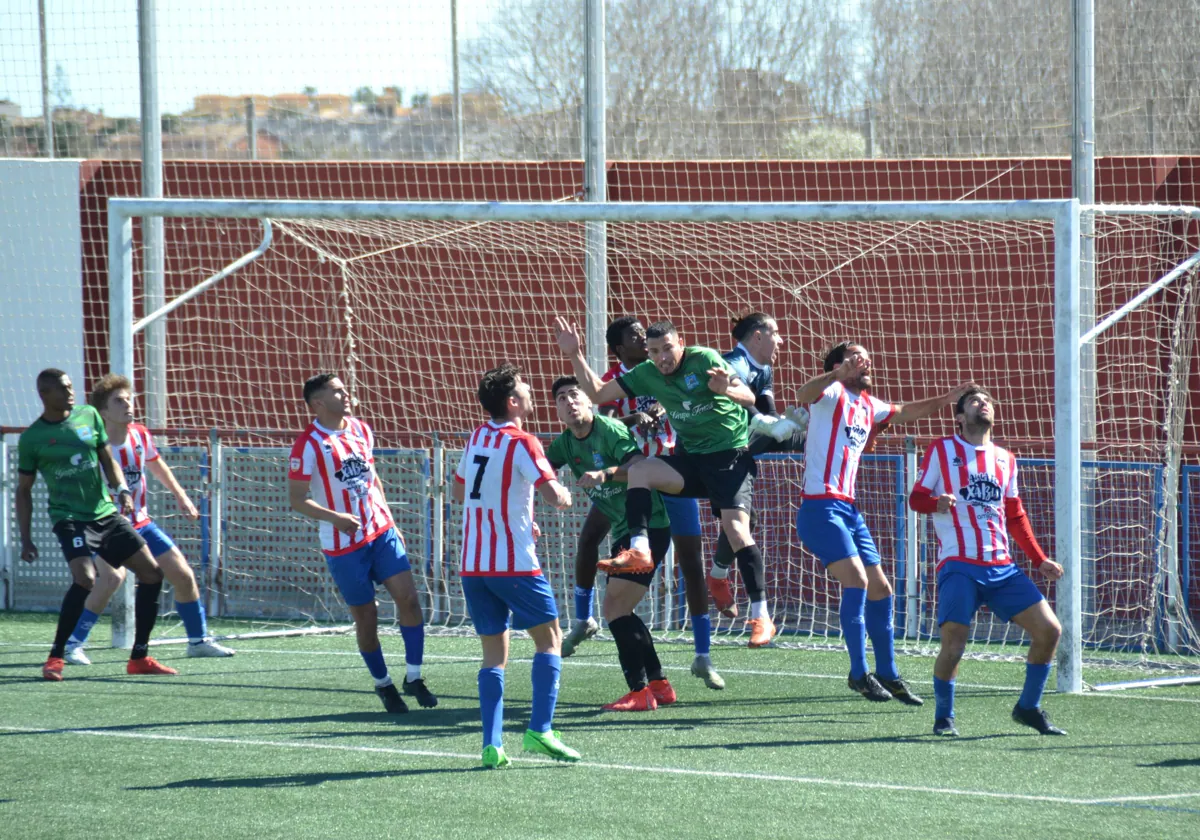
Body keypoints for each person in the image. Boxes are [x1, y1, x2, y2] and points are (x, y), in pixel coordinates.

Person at [554, 317, 778, 648]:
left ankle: (761, 617)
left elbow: (748, 396)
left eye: (667, 349)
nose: (662, 358)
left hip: (729, 458)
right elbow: (599, 393)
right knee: (641, 470)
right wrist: (574, 354)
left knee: (736, 530)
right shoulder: (647, 373)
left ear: (681, 344)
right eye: (654, 351)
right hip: (691, 460)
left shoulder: (704, 359)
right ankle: (640, 550)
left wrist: (726, 389)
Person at [795, 341, 973, 704]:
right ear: (839, 366)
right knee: (857, 580)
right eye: (855, 360)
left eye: (866, 360)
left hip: (849, 510)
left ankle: (888, 673)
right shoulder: (830, 393)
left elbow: (907, 411)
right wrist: (836, 374)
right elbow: (803, 392)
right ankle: (858, 673)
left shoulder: (868, 405)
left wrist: (947, 398)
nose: (865, 364)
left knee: (882, 590)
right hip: (820, 508)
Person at [561, 315, 722, 689]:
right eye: (635, 337)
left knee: (691, 561)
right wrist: (640, 415)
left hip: (668, 472)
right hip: (626, 478)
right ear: (621, 348)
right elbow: (604, 417)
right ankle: (585, 619)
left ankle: (703, 654)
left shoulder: (669, 368)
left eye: (647, 337)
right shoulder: (619, 378)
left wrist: (669, 408)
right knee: (588, 539)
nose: (642, 339)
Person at [909, 388, 1066, 736]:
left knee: (1050, 630)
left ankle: (1028, 707)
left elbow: (1015, 515)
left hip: (1002, 567)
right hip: (958, 564)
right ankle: (944, 718)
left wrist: (1038, 559)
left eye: (988, 401)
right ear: (960, 417)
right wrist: (936, 502)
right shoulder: (942, 449)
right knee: (954, 644)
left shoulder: (1006, 459)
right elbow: (916, 498)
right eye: (974, 401)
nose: (984, 404)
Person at [453, 364, 581, 767]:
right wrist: (565, 496)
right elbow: (550, 494)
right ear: (512, 401)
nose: (529, 390)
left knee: (494, 654)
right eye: (523, 386)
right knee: (550, 640)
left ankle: (492, 744)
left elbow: (460, 491)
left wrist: (519, 516)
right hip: (513, 563)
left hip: (473, 564)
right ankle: (540, 730)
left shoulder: (476, 436)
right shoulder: (524, 442)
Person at [288, 373, 436, 714]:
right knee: (367, 617)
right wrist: (336, 518)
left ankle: (414, 677)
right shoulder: (308, 444)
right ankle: (384, 685)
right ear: (318, 403)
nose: (347, 394)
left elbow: (372, 478)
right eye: (337, 391)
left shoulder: (360, 429)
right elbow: (297, 499)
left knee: (410, 602)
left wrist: (392, 522)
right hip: (344, 546)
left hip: (380, 532)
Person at [16, 369, 177, 681]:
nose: (70, 392)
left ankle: (139, 656)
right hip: (70, 519)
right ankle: (56, 656)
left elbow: (107, 458)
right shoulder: (32, 438)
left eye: (71, 386)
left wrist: (122, 490)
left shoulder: (89, 415)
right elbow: (23, 491)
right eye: (63, 389)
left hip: (105, 513)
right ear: (45, 395)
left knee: (152, 573)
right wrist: (26, 538)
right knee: (86, 578)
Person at [62, 375, 234, 663]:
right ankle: (72, 644)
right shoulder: (90, 446)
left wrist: (182, 495)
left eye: (129, 398)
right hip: (105, 525)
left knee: (183, 574)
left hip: (141, 522)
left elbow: (157, 464)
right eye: (119, 400)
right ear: (103, 412)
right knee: (112, 578)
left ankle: (198, 640)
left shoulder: (140, 434)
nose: (128, 404)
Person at [547, 376, 677, 711]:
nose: (569, 401)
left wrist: (604, 473)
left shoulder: (610, 431)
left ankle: (639, 692)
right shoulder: (564, 443)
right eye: (561, 398)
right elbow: (541, 468)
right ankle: (659, 685)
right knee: (622, 610)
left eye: (575, 394)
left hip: (646, 526)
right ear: (558, 410)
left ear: (588, 401)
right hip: (625, 529)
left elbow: (637, 466)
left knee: (614, 609)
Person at [709, 312, 808, 620]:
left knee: (806, 435)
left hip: (745, 443)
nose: (781, 339)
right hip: (715, 451)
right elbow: (738, 399)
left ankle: (717, 576)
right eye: (776, 332)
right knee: (743, 524)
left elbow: (766, 410)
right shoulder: (733, 363)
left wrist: (781, 422)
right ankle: (740, 600)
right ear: (757, 336)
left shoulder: (764, 368)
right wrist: (767, 422)